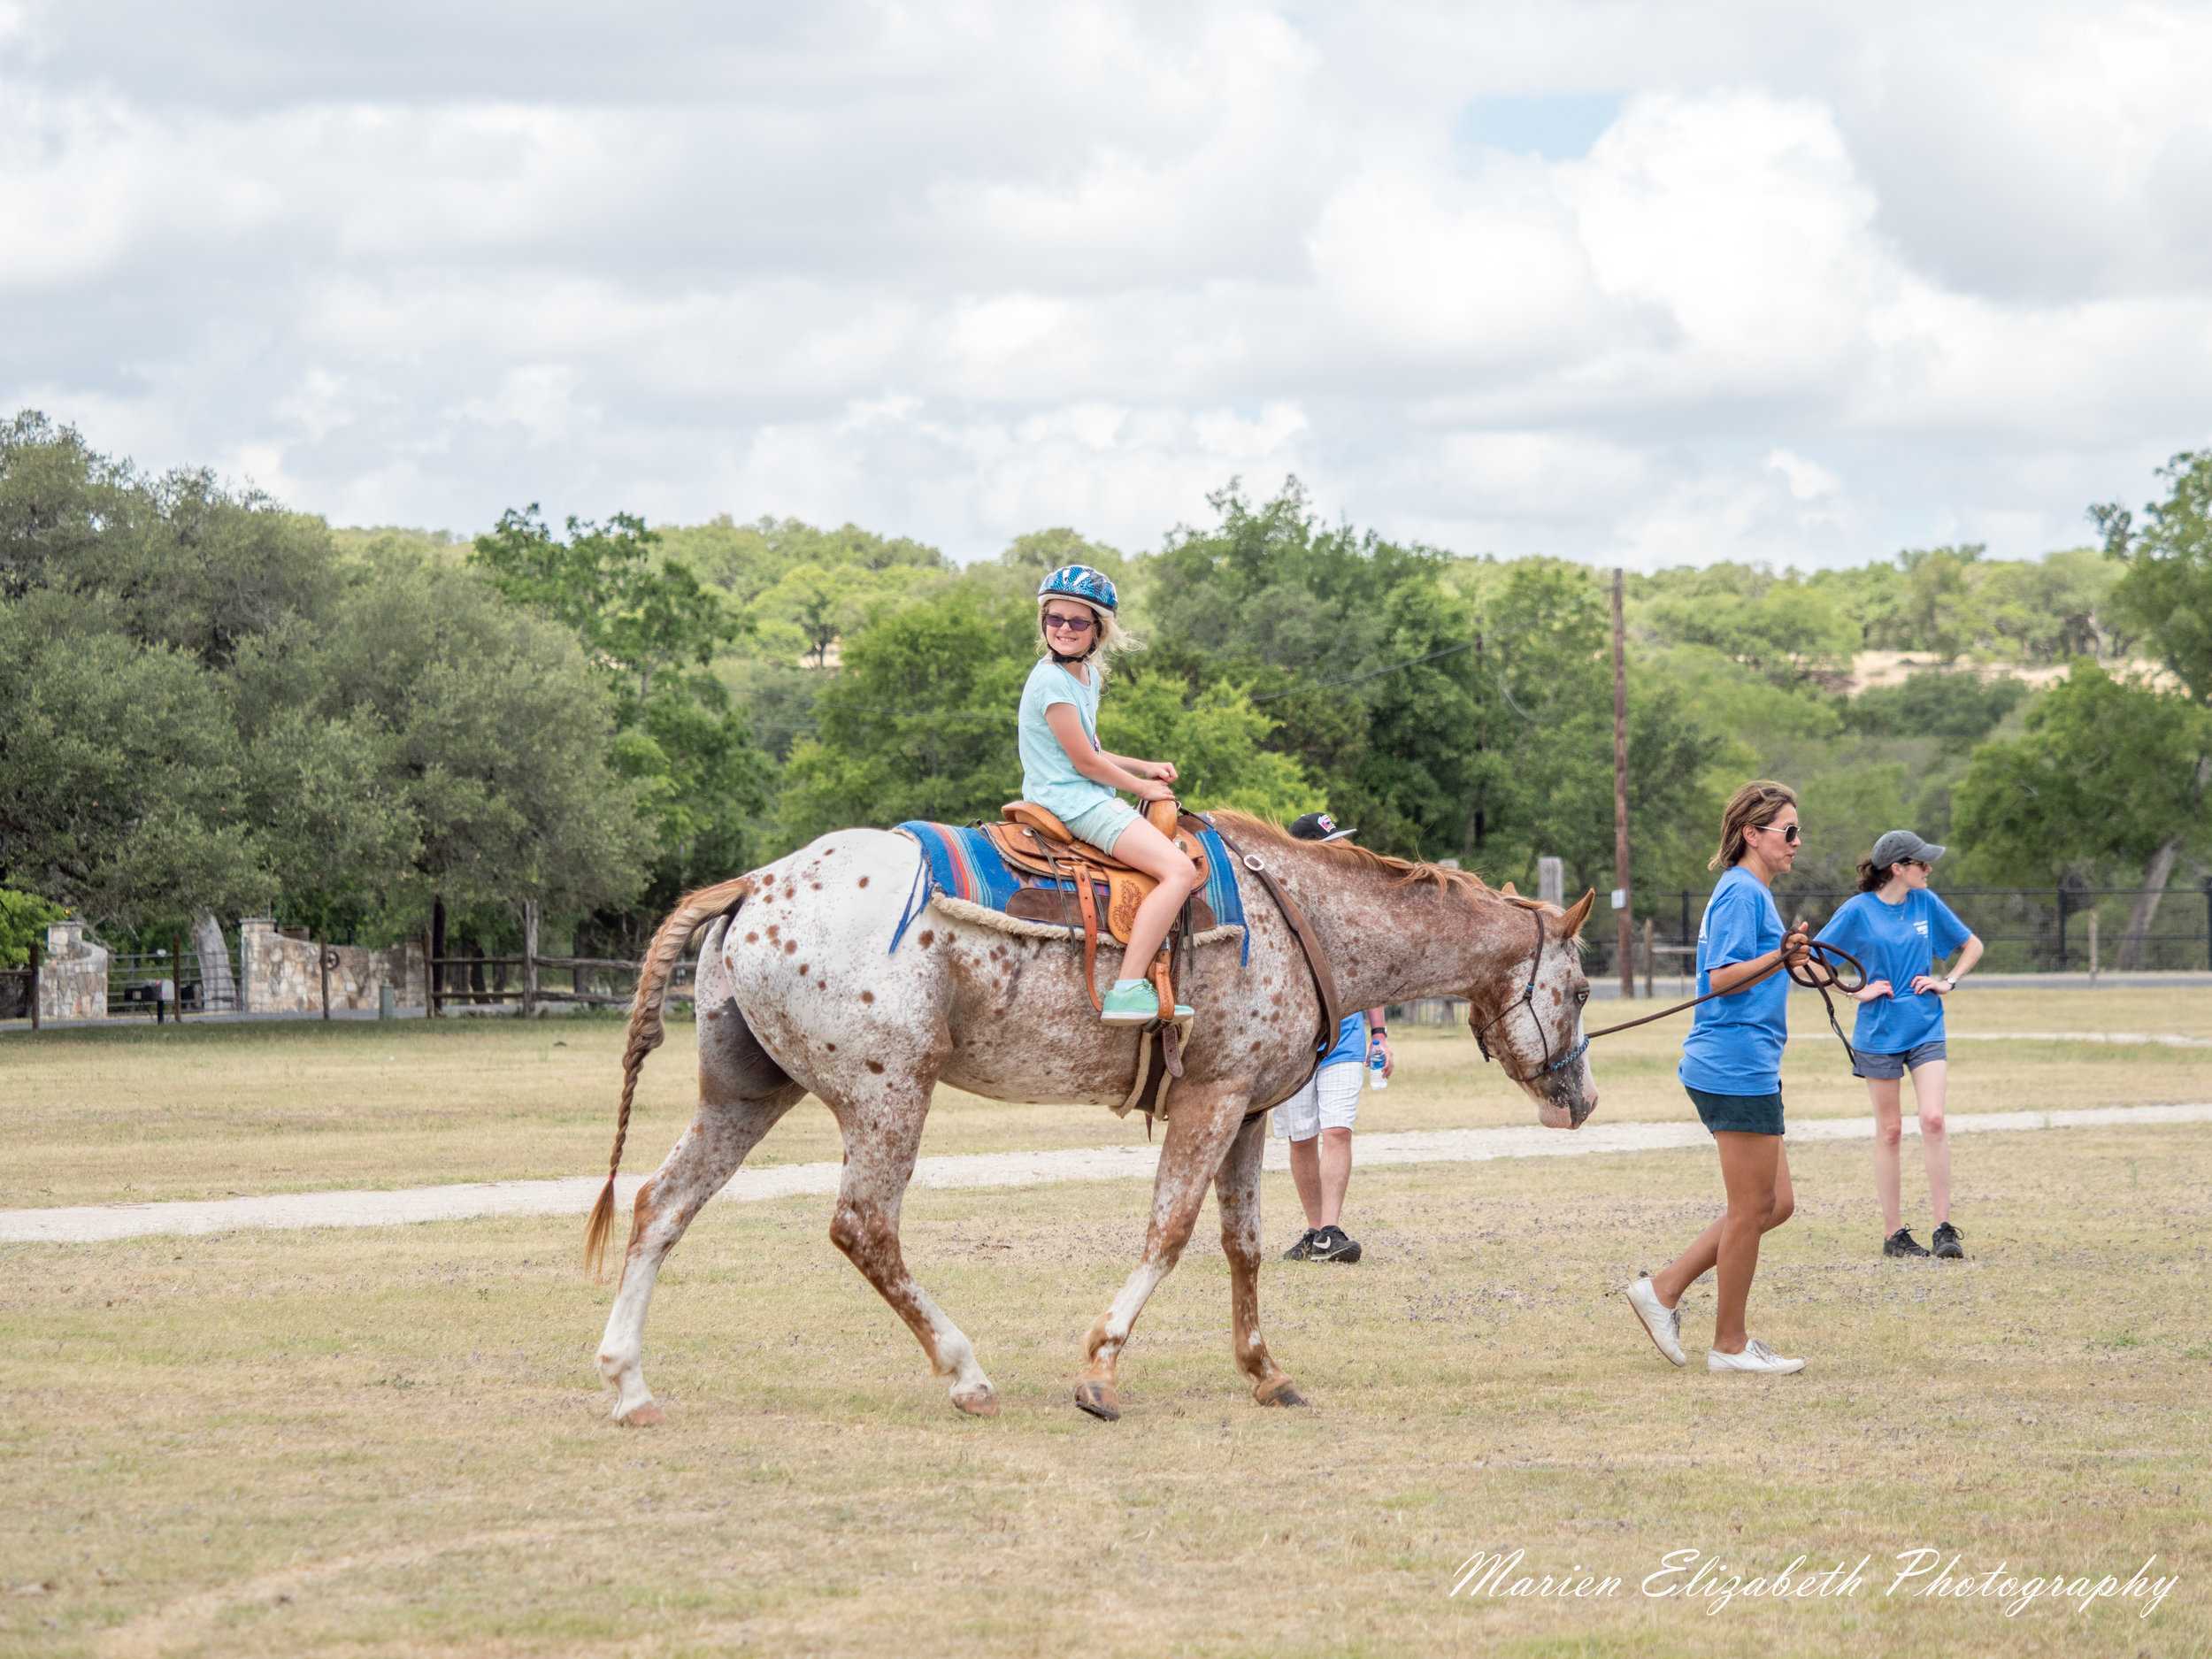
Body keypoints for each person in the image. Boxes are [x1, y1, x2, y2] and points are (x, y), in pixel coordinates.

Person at [1623, 780, 1812, 1377]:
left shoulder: (1752, 892)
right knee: (1753, 1203)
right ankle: (1729, 1344)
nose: (1797, 842)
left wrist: (1789, 955)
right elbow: (1723, 975)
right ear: (1752, 833)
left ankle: (1665, 1287)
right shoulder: (1740, 892)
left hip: (1748, 1061)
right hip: (1733, 1064)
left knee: (1773, 1203)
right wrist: (1779, 957)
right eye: (1787, 830)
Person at [1018, 565, 1199, 1024]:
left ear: (1098, 629)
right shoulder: (1051, 682)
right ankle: (1127, 987)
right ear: (1044, 623)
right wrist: (1142, 788)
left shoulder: (1087, 677)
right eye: (1055, 619)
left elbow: (1092, 748)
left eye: (1077, 622)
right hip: (1072, 801)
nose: (1063, 629)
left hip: (1083, 791)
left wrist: (1143, 766)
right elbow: (1085, 765)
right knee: (1178, 870)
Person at [1816, 830, 1983, 1261]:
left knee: (1933, 1119)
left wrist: (1948, 980)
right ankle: (1894, 1236)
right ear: (1898, 868)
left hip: (1926, 1025)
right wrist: (1855, 992)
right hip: (1878, 1033)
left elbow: (1972, 945)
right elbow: (1814, 965)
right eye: (1921, 864)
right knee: (1890, 1132)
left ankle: (1945, 1230)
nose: (1929, 870)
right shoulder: (1856, 911)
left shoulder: (1926, 903)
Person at [1271, 812, 1394, 1264]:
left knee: (1337, 1130)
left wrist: (1378, 1034)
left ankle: (1330, 1229)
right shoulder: (1278, 906)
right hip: (1296, 1043)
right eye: (1330, 842)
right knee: (1302, 1137)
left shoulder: (1351, 906)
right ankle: (1313, 1231)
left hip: (1345, 1038)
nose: (1340, 850)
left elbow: (1370, 977)